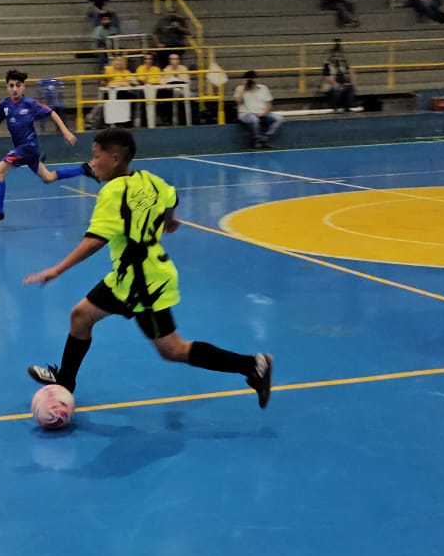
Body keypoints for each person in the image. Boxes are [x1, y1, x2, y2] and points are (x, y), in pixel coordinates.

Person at [23, 127, 273, 408]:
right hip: (131, 275)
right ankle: (65, 382)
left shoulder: (112, 193)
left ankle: (252, 364)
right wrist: (170, 219)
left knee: (172, 349)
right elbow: (171, 197)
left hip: (143, 283)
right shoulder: (149, 180)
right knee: (80, 316)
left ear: (115, 158)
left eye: (96, 156)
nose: (92, 163)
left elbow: (95, 241)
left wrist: (57, 269)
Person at [0, 68, 83, 222]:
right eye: (11, 85)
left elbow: (52, 113)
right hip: (24, 150)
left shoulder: (30, 104)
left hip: (28, 146)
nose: (15, 89)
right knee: (48, 178)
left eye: (18, 85)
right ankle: (83, 169)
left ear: (23, 86)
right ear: (7, 87)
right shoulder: (4, 104)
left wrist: (66, 132)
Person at [234, 70, 283, 148]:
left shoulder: (263, 88)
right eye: (248, 79)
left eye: (252, 79)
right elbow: (238, 102)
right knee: (254, 119)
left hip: (262, 113)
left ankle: (265, 138)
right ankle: (256, 141)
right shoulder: (239, 88)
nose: (250, 81)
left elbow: (269, 103)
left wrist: (264, 112)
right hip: (246, 113)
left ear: (256, 79)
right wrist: (244, 88)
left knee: (279, 118)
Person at [321, 45, 362, 113]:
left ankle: (348, 107)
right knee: (336, 89)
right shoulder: (327, 64)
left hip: (341, 83)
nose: (337, 58)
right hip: (330, 85)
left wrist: (352, 82)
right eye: (334, 56)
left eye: (338, 56)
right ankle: (335, 107)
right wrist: (339, 86)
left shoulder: (343, 63)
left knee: (351, 88)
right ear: (331, 56)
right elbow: (328, 79)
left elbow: (351, 71)